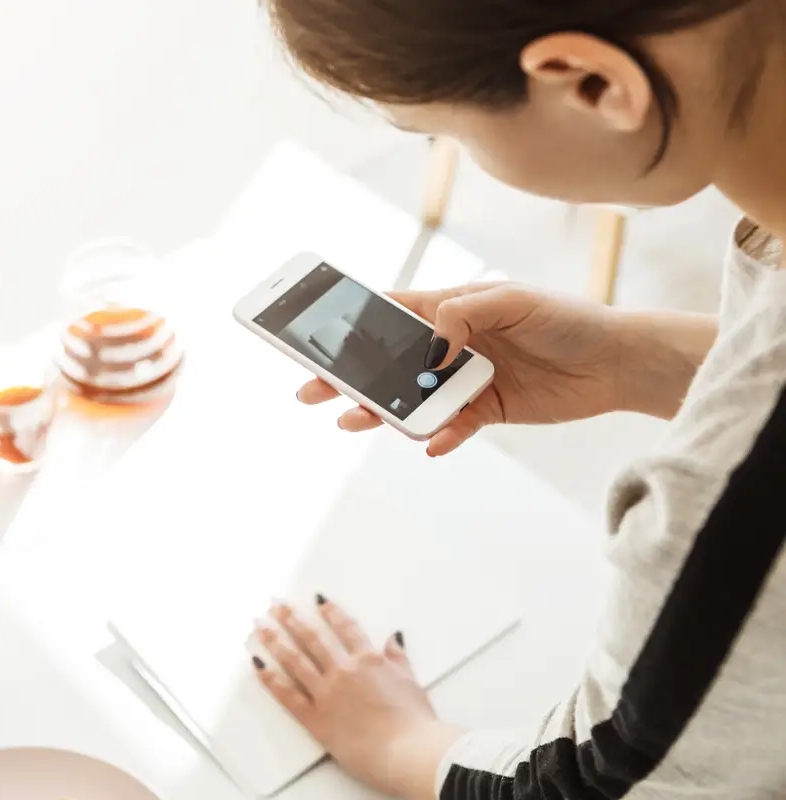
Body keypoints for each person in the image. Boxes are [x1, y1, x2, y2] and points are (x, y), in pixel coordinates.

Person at [248, 2, 786, 798]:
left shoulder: (718, 513)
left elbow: (588, 785)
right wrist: (629, 358)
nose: (461, 158)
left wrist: (398, 740)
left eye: (449, 135)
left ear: (595, 84)